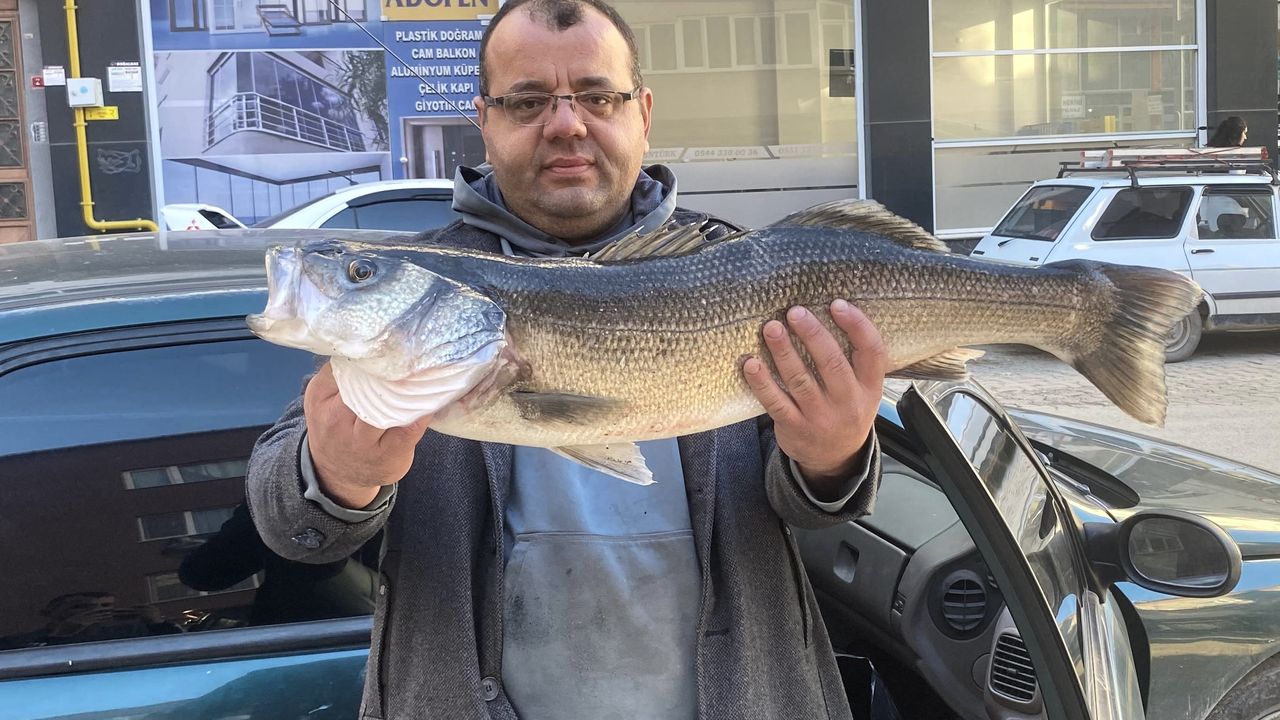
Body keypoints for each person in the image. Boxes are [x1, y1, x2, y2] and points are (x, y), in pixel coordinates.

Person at [246, 0, 886, 718]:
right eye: (527, 102)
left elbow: (814, 510)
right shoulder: (424, 285)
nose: (567, 124)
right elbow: (286, 520)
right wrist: (337, 476)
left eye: (598, 97)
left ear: (643, 112)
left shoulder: (746, 269)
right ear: (484, 121)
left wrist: (832, 459)